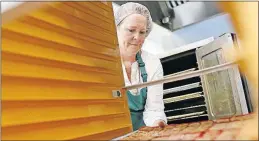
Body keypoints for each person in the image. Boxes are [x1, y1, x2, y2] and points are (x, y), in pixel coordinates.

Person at [114, 2, 167, 131]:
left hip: (144, 133)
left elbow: (154, 108)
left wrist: (157, 124)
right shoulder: (105, 62)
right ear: (116, 29)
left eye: (142, 32)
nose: (137, 37)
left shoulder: (152, 63)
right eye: (131, 30)